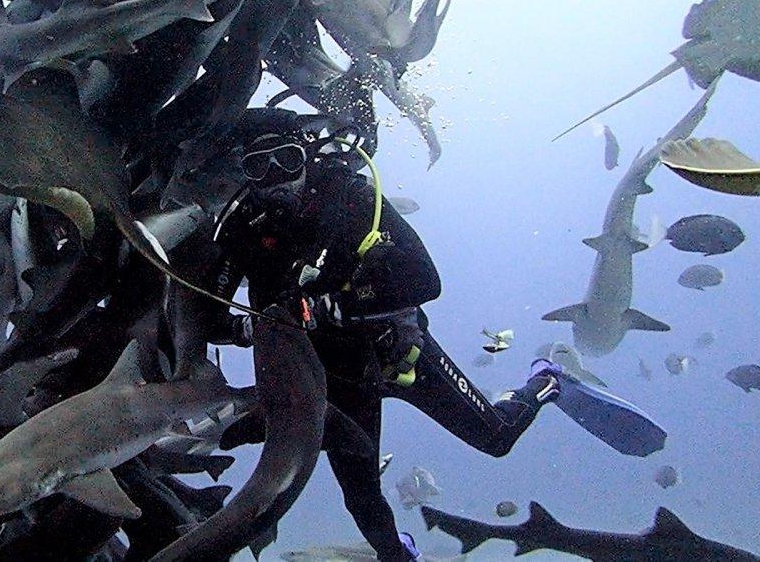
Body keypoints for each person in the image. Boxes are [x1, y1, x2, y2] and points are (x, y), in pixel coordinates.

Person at [204, 128, 664, 561]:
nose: (275, 180)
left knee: (497, 439)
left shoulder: (351, 199)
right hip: (340, 379)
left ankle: (547, 379)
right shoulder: (244, 229)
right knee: (361, 501)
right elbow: (207, 317)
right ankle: (400, 555)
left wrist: (335, 307)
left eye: (287, 160)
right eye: (258, 167)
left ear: (308, 158)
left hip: (399, 353)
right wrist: (250, 329)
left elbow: (425, 280)